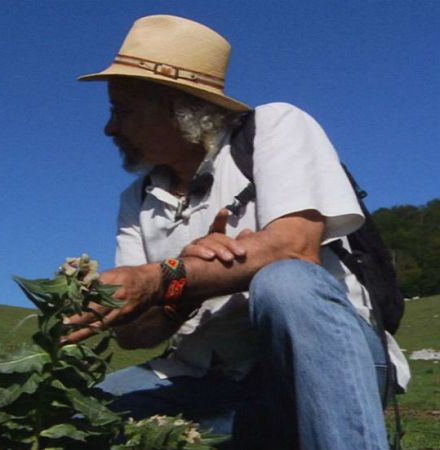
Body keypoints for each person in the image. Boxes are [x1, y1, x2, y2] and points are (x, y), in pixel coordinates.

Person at [66, 15, 410, 450]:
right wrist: (181, 284)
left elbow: (293, 249)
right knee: (71, 422)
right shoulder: (137, 200)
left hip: (319, 360)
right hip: (199, 373)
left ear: (179, 107)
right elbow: (135, 335)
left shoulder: (275, 126)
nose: (110, 128)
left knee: (285, 281)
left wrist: (163, 276)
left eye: (123, 111)